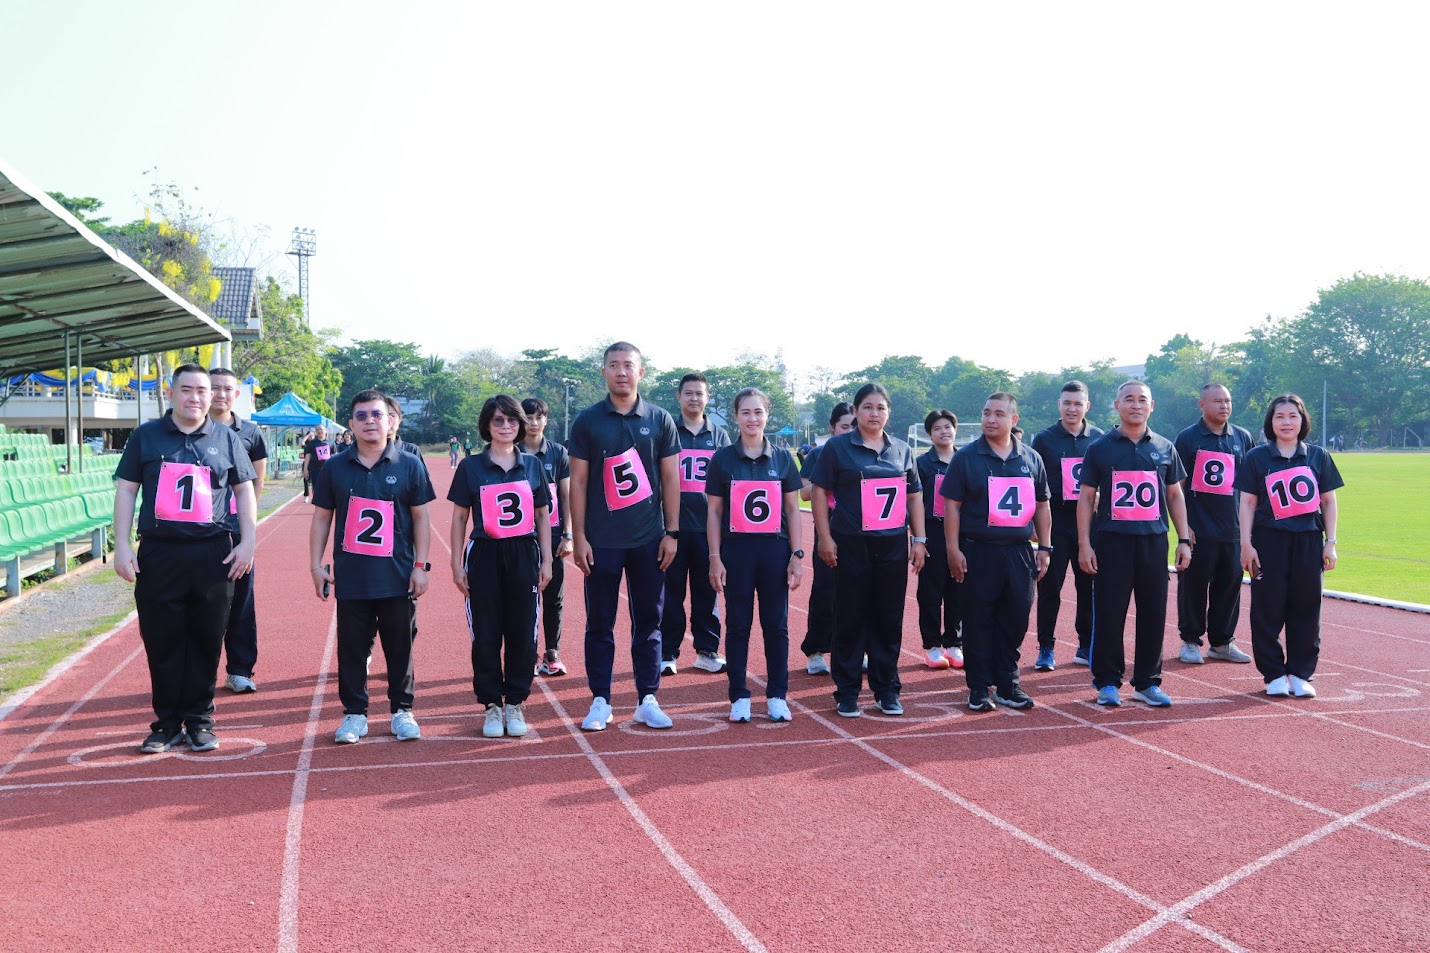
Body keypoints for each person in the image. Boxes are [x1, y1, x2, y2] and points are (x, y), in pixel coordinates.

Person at [112, 364, 257, 754]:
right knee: (162, 639)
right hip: (160, 553)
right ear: (171, 393)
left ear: (212, 396)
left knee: (207, 639)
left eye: (202, 390)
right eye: (187, 389)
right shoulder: (146, 436)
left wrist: (248, 542)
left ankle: (199, 721)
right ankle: (166, 724)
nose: (195, 397)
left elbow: (244, 491)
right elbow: (126, 491)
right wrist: (121, 544)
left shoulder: (227, 438)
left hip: (213, 553)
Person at [309, 389, 435, 744]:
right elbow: (322, 519)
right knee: (351, 649)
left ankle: (402, 711)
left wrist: (421, 566)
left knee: (400, 648)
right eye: (361, 416)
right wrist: (315, 565)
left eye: (376, 414)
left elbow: (421, 518)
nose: (369, 421)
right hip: (352, 576)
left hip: (397, 576)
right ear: (351, 424)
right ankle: (354, 714)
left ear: (389, 421)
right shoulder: (335, 467)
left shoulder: (409, 464)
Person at [567, 342, 681, 731]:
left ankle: (648, 698)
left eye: (628, 365)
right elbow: (578, 482)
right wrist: (579, 536)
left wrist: (672, 532)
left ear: (640, 372)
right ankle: (600, 699)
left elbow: (670, 478)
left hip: (649, 539)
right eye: (613, 365)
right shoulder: (587, 421)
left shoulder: (659, 419)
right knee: (600, 623)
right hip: (602, 541)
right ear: (603, 372)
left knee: (649, 621)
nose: (621, 372)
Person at [810, 382, 926, 717]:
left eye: (880, 408)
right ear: (856, 411)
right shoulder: (837, 448)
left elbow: (914, 496)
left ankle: (886, 689)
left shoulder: (902, 450)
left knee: (888, 618)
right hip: (851, 542)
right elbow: (818, 492)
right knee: (850, 617)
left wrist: (919, 540)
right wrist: (825, 537)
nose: (874, 414)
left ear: (889, 412)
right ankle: (847, 691)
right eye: (867, 407)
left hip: (891, 544)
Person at [1078, 381, 1193, 707]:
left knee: (1154, 614)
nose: (1136, 405)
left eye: (1142, 400)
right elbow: (1086, 498)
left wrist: (1184, 539)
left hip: (1153, 542)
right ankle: (1107, 682)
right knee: (1110, 614)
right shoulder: (1099, 449)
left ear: (1151, 406)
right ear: (1117, 405)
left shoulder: (1165, 447)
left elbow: (1175, 495)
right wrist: (1084, 544)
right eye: (1129, 399)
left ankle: (1147, 682)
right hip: (1112, 542)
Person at [448, 395, 553, 738]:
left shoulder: (533, 465)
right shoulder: (470, 467)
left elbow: (542, 515)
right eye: (498, 420)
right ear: (487, 425)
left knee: (523, 631)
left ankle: (516, 702)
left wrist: (548, 560)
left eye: (511, 420)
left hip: (524, 552)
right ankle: (492, 704)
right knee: (486, 632)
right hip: (484, 554)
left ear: (520, 424)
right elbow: (460, 516)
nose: (505, 426)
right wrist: (455, 563)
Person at [941, 393, 1051, 710]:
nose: (991, 419)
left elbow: (1042, 505)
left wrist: (1045, 546)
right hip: (979, 551)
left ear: (1013, 420)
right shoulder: (966, 458)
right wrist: (952, 549)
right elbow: (952, 506)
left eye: (999, 414)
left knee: (1016, 618)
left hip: (1019, 552)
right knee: (978, 620)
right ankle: (978, 687)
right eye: (986, 413)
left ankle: (1007, 684)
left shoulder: (1031, 458)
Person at [705, 388, 804, 723]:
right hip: (737, 551)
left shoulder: (782, 458)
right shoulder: (722, 459)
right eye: (746, 412)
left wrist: (797, 554)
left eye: (758, 412)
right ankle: (739, 695)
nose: (752, 418)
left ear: (767, 415)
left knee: (776, 625)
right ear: (735, 416)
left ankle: (777, 695)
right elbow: (714, 512)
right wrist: (715, 556)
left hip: (774, 550)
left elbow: (793, 509)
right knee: (738, 625)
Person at [1237, 394, 1343, 698]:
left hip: (1309, 541)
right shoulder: (1256, 458)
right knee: (1267, 608)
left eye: (1292, 416)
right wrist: (1246, 544)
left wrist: (1330, 542)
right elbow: (1247, 503)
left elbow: (1328, 501)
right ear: (1270, 422)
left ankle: (1300, 673)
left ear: (1302, 420)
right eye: (1279, 416)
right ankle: (1273, 674)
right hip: (1268, 542)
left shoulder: (1318, 456)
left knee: (1307, 608)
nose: (1286, 422)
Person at [1174, 383, 1255, 665]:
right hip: (1199, 529)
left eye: (1227, 401)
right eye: (1217, 401)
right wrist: (1184, 527)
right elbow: (1176, 485)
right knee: (1193, 587)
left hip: (1233, 529)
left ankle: (1222, 642)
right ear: (1202, 405)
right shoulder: (1187, 438)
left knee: (1230, 587)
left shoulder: (1242, 437)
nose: (1224, 406)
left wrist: (1250, 529)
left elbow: (1251, 486)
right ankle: (1190, 640)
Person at [1030, 381, 1104, 670]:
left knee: (1088, 585)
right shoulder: (1044, 439)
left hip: (1090, 522)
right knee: (1050, 586)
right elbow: (1034, 485)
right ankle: (1046, 647)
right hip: (1057, 519)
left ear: (1087, 406)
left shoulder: (1098, 438)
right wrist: (1036, 525)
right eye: (1067, 403)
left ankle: (1086, 645)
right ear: (1059, 405)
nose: (1072, 409)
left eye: (1078, 403)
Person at [661, 373, 731, 675]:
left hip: (708, 530)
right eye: (688, 393)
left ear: (707, 398)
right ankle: (667, 652)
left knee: (707, 593)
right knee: (670, 594)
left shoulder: (720, 436)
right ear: (679, 396)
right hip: (673, 528)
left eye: (699, 393)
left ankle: (707, 650)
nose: (694, 398)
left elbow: (729, 482)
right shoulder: (667, 431)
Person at [208, 367, 269, 695]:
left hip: (235, 530)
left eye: (227, 389)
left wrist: (246, 525)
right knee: (202, 602)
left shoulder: (251, 433)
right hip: (200, 532)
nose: (220, 394)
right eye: (214, 387)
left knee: (241, 601)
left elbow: (256, 483)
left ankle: (240, 669)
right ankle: (199, 671)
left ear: (236, 394)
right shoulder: (190, 430)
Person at [798, 402, 855, 675]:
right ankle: (816, 650)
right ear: (832, 427)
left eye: (854, 426)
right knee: (825, 589)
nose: (850, 431)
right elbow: (804, 493)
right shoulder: (819, 454)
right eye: (844, 426)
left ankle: (853, 650)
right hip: (828, 526)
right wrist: (830, 481)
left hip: (859, 529)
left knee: (857, 592)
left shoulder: (864, 453)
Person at [521, 397, 573, 675]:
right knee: (523, 598)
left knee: (554, 597)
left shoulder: (558, 452)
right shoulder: (511, 451)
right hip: (521, 538)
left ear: (545, 420)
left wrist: (568, 534)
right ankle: (526, 652)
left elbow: (565, 496)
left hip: (553, 537)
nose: (533, 422)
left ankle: (552, 651)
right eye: (528, 417)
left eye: (538, 417)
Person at [915, 409, 964, 669]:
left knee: (959, 589)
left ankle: (954, 644)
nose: (943, 432)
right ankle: (932, 646)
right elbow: (914, 503)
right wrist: (918, 539)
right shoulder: (922, 464)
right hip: (932, 533)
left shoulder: (965, 460)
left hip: (962, 534)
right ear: (929, 434)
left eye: (947, 426)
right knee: (930, 592)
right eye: (937, 428)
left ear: (955, 429)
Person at [301, 424, 332, 501]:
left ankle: (327, 503)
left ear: (325, 431)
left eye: (321, 429)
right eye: (317, 430)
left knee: (328, 488)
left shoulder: (330, 442)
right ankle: (317, 502)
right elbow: (307, 456)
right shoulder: (312, 443)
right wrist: (305, 468)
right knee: (316, 488)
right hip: (315, 469)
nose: (319, 431)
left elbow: (335, 455)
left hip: (328, 470)